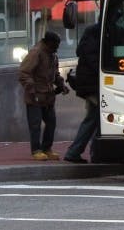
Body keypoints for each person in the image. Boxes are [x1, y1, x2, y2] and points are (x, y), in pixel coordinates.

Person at [18, 31, 69, 161]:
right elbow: (24, 72)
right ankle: (36, 150)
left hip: (48, 96)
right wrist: (32, 90)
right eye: (56, 44)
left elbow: (55, 74)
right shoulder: (36, 53)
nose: (57, 47)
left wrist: (61, 84)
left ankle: (47, 148)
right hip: (35, 95)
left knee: (51, 122)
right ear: (48, 42)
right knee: (35, 124)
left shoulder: (52, 55)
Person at [64, 22, 100, 163]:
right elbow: (96, 65)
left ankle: (79, 151)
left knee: (92, 119)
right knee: (93, 119)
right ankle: (77, 151)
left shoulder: (86, 44)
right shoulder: (93, 46)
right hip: (93, 87)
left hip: (88, 87)